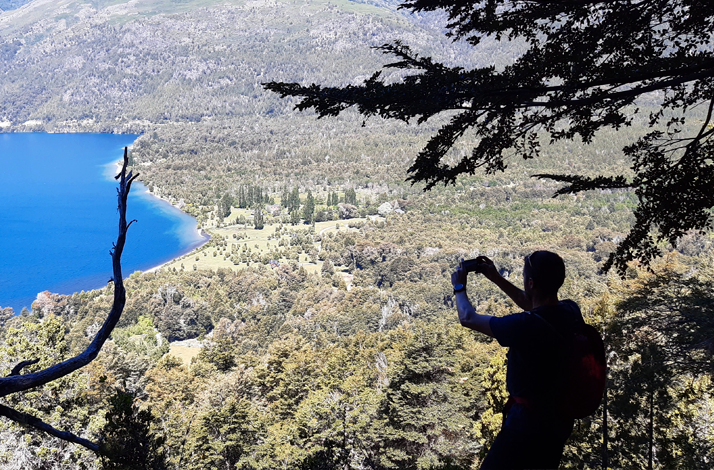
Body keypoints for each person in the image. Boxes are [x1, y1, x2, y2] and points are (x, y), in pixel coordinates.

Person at [451, 251, 584, 470]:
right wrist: (495, 277)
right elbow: (531, 303)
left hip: (525, 424)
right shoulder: (571, 311)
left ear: (530, 283)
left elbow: (468, 318)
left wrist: (459, 287)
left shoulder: (524, 325)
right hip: (558, 421)